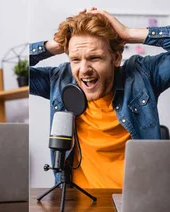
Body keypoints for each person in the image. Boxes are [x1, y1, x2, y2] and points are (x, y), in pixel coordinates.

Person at [30, 8, 170, 188]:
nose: (84, 69)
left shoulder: (142, 75)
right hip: (79, 202)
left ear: (116, 58)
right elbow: (17, 68)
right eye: (75, 59)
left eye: (94, 58)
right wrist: (51, 47)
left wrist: (130, 34)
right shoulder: (60, 80)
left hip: (137, 201)